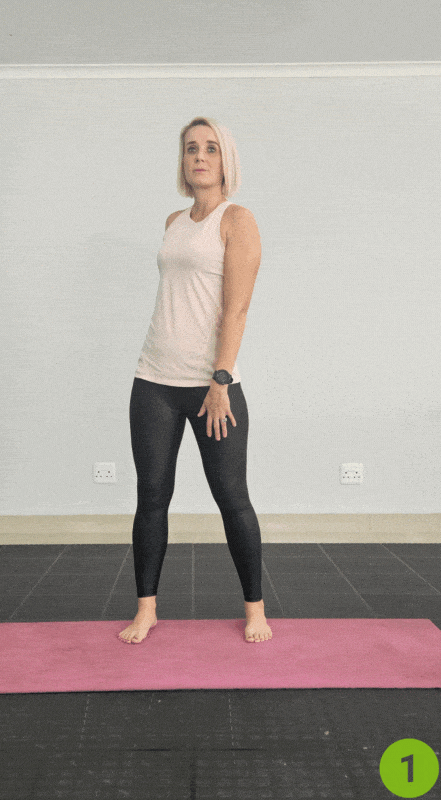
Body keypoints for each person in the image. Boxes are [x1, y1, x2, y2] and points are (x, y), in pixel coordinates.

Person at [118, 116, 272, 644]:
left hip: (212, 388)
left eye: (210, 148)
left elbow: (237, 309)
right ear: (183, 161)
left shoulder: (238, 220)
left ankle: (254, 609)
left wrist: (220, 380)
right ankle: (146, 609)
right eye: (190, 149)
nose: (199, 157)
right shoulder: (173, 221)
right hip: (153, 379)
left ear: (226, 159)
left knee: (232, 497)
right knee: (151, 497)